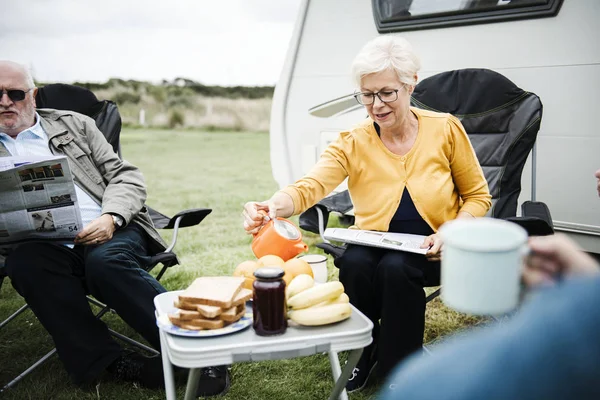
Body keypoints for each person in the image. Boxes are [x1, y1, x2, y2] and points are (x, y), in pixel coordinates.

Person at [242, 36, 492, 392]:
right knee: (356, 264)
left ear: (411, 84)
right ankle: (360, 352)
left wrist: (453, 230)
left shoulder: (445, 128)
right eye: (367, 94)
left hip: (434, 245)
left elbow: (478, 196)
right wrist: (272, 205)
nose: (376, 105)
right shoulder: (353, 139)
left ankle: (400, 369)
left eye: (387, 92)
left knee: (396, 268)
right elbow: (310, 186)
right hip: (373, 238)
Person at [0, 61, 229, 396]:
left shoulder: (75, 125)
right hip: (38, 245)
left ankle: (200, 352)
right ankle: (115, 363)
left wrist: (111, 216)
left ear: (32, 96)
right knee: (27, 265)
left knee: (105, 262)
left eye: (15, 93)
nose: (5, 101)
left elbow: (126, 176)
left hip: (110, 229)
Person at [379, 169, 600, 400]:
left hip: (454, 247)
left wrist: (583, 299)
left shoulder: (426, 385)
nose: (596, 173)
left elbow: (478, 196)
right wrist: (587, 288)